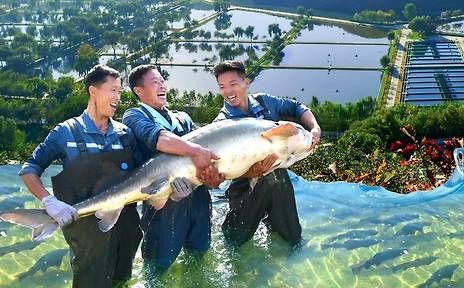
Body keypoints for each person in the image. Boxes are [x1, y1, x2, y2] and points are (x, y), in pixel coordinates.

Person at [19, 65, 143, 287]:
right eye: (113, 90)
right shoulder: (65, 132)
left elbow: (145, 174)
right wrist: (49, 202)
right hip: (86, 235)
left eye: (120, 91)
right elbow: (30, 169)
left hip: (126, 229)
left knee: (121, 281)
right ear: (93, 91)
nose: (118, 97)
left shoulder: (126, 134)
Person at [122, 64, 224, 272]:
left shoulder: (183, 117)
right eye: (154, 82)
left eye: (162, 80)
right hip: (163, 205)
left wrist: (214, 181)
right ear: (138, 91)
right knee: (157, 267)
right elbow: (159, 138)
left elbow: (207, 153)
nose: (162, 86)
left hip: (199, 201)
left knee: (199, 255)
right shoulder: (134, 116)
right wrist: (195, 150)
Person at [212, 60, 321, 247]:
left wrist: (314, 128)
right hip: (244, 185)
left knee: (293, 239)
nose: (228, 92)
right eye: (222, 87)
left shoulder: (265, 102)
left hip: (278, 178)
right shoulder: (221, 125)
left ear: (246, 82)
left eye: (233, 84)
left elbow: (297, 108)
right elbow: (221, 170)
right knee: (235, 241)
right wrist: (252, 173)